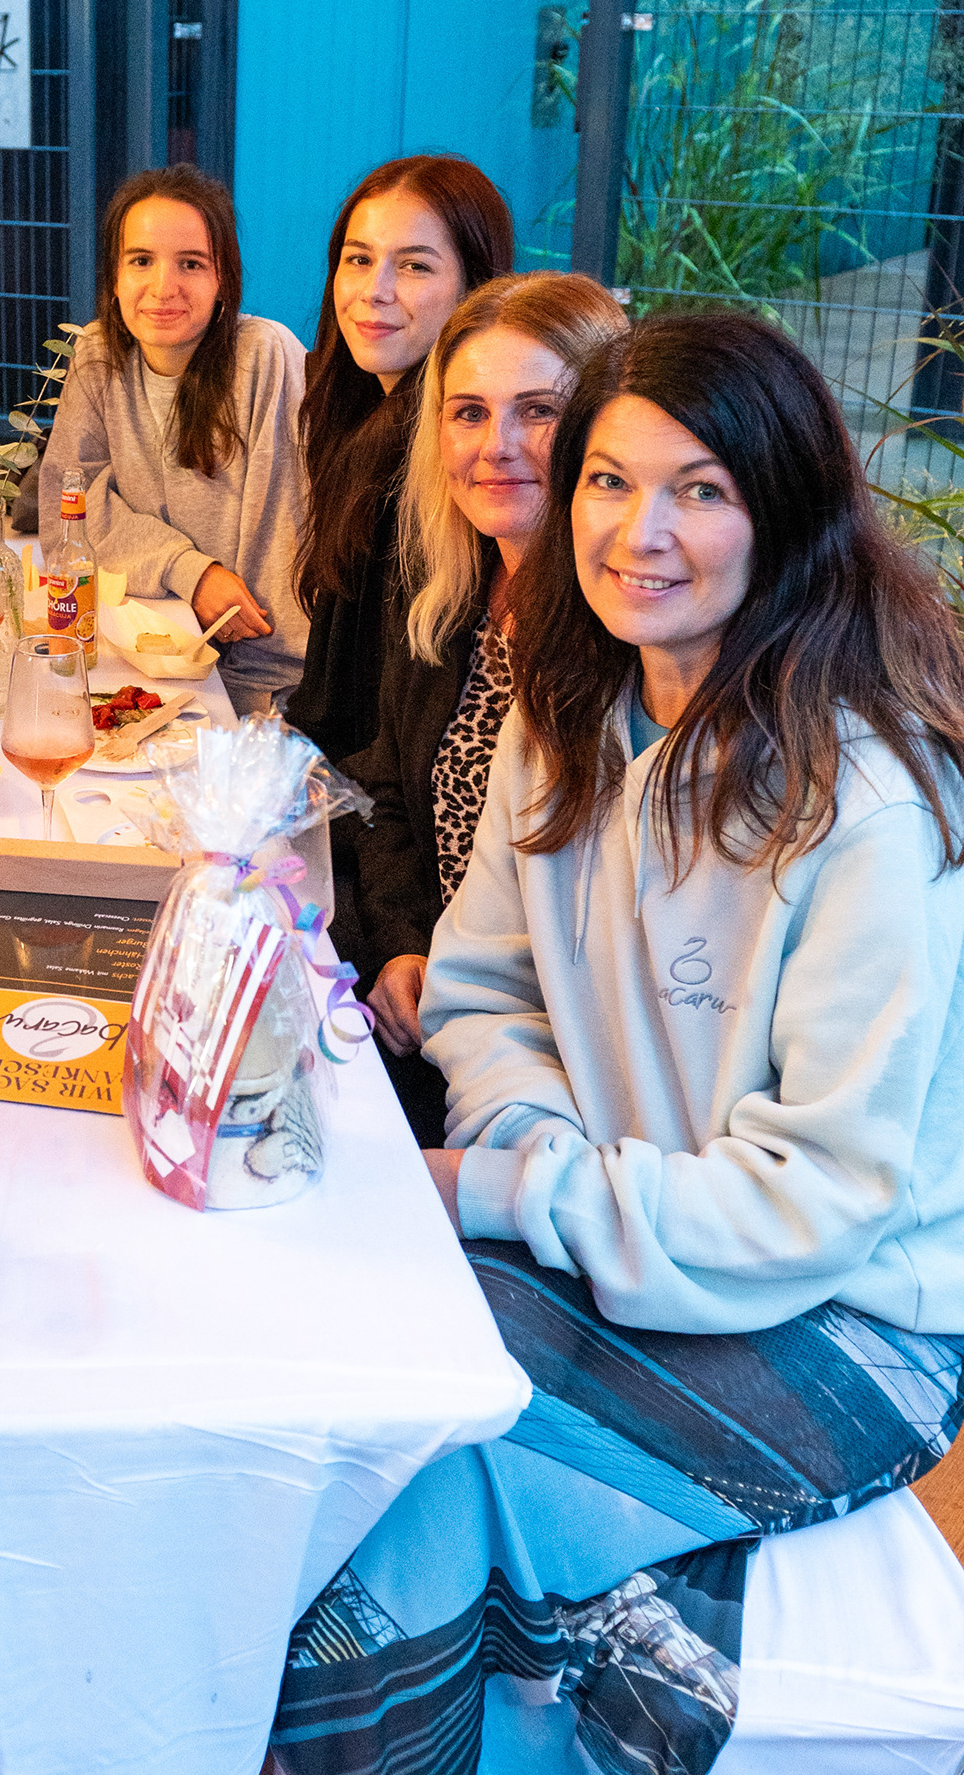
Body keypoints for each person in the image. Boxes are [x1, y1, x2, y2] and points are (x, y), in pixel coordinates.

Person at [167, 312, 964, 1775]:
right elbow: (479, 986)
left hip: (845, 1321)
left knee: (421, 1464)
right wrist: (531, 1145)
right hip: (622, 1238)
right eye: (611, 479)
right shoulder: (574, 710)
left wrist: (516, 1190)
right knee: (347, 1391)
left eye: (699, 488)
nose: (637, 529)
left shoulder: (871, 801)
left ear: (788, 510)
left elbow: (813, 1200)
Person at [351, 272, 627, 1139]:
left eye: (538, 412)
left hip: (556, 1083)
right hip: (434, 1010)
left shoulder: (629, 639)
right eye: (468, 412)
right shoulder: (449, 595)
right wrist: (405, 944)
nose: (495, 446)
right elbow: (388, 793)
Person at [39, 166, 308, 709]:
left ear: (223, 280)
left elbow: (284, 542)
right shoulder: (98, 354)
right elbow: (66, 513)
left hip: (264, 682)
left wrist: (258, 706)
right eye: (141, 260)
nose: (163, 288)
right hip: (147, 652)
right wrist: (192, 572)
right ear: (114, 277)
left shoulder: (264, 356)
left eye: (191, 263)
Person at [284, 157, 514, 770]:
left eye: (414, 266)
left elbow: (396, 731)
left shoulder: (459, 461)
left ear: (476, 290)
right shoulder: (357, 419)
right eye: (358, 259)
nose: (374, 290)